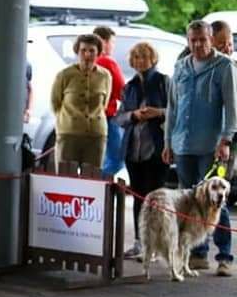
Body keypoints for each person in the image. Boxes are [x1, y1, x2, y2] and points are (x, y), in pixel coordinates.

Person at [163, 20, 237, 276]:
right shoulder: (181, 67)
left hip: (211, 145)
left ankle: (225, 256)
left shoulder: (224, 66)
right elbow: (172, 108)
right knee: (190, 200)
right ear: (188, 40)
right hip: (183, 144)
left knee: (217, 200)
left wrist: (226, 140)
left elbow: (231, 107)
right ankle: (198, 253)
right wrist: (167, 142)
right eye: (192, 40)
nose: (197, 45)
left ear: (211, 38)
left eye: (202, 40)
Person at [115, 42, 169, 259]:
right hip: (133, 151)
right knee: (138, 198)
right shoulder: (129, 86)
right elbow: (119, 117)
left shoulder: (164, 81)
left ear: (153, 58)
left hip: (157, 150)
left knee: (155, 199)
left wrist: (158, 113)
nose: (140, 61)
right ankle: (139, 242)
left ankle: (155, 245)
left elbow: (177, 110)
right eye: (136, 57)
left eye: (144, 57)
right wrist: (134, 115)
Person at [50, 34, 111, 172]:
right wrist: (67, 121)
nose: (87, 55)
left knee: (92, 179)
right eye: (83, 50)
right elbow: (55, 103)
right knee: (65, 176)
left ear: (98, 53)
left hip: (96, 135)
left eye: (92, 51)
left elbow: (104, 104)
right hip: (69, 134)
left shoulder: (105, 76)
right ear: (77, 52)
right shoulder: (65, 75)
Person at [93, 26, 126, 177]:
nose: (113, 46)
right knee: (117, 159)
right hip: (108, 115)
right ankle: (98, 183)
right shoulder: (107, 62)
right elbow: (122, 90)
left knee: (100, 158)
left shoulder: (90, 62)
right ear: (104, 42)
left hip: (91, 116)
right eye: (112, 42)